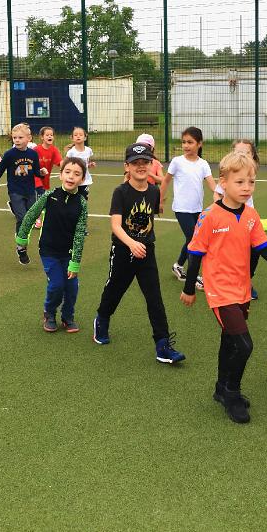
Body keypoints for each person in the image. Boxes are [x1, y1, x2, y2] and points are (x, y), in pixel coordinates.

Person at [181, 151, 267, 423]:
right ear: (223, 182)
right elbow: (195, 254)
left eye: (251, 182)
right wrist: (189, 289)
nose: (247, 187)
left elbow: (265, 250)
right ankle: (232, 395)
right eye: (240, 182)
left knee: (229, 341)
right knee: (244, 345)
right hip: (219, 292)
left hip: (242, 289)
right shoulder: (209, 216)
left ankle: (221, 388)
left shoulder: (250, 215)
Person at [92, 142, 184, 365]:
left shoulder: (154, 191)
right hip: (123, 251)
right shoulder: (120, 192)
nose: (141, 166)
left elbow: (151, 217)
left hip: (147, 252)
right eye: (136, 163)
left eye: (145, 162)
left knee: (154, 298)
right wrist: (132, 243)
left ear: (151, 165)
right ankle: (102, 319)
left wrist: (142, 243)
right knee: (114, 290)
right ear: (127, 166)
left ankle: (162, 344)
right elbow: (116, 225)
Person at [16, 157, 89, 333]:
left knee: (71, 287)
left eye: (77, 174)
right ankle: (49, 313)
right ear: (61, 175)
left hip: (68, 253)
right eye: (67, 172)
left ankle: (68, 316)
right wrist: (22, 239)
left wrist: (75, 262)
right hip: (48, 251)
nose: (71, 176)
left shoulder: (81, 203)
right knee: (56, 285)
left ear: (82, 179)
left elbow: (80, 233)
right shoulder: (49, 196)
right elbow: (30, 215)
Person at [160, 126, 215, 288]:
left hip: (197, 209)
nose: (186, 145)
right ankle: (194, 276)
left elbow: (212, 185)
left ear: (199, 144)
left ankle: (178, 265)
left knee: (191, 239)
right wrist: (160, 201)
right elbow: (165, 181)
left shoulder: (203, 164)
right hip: (181, 208)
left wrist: (224, 194)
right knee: (194, 239)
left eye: (190, 142)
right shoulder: (177, 162)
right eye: (184, 142)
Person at [0, 123, 43, 265]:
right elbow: (0, 170)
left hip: (30, 191)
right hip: (15, 191)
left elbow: (36, 172)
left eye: (20, 137)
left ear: (29, 138)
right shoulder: (10, 154)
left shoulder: (33, 154)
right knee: (22, 218)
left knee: (30, 218)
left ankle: (14, 207)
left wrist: (41, 173)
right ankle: (21, 248)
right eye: (14, 137)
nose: (17, 140)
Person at [214, 140, 261, 299]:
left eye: (246, 153)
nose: (242, 156)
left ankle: (246, 280)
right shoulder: (230, 174)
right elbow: (217, 194)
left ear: (252, 156)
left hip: (249, 220)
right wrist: (222, 212)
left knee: (255, 250)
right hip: (232, 221)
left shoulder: (250, 172)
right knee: (232, 253)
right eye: (238, 153)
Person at [34, 126, 62, 229]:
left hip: (45, 180)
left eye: (51, 135)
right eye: (47, 135)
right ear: (42, 137)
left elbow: (60, 162)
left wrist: (67, 169)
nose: (50, 136)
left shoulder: (54, 150)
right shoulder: (36, 150)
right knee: (42, 198)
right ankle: (37, 219)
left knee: (36, 199)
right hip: (35, 178)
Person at [65, 127, 95, 199]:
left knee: (83, 199)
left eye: (80, 135)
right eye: (75, 135)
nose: (78, 136)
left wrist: (90, 165)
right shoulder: (71, 152)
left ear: (85, 137)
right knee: (72, 199)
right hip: (73, 180)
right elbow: (65, 166)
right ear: (72, 138)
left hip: (85, 180)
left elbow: (86, 164)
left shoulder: (88, 150)